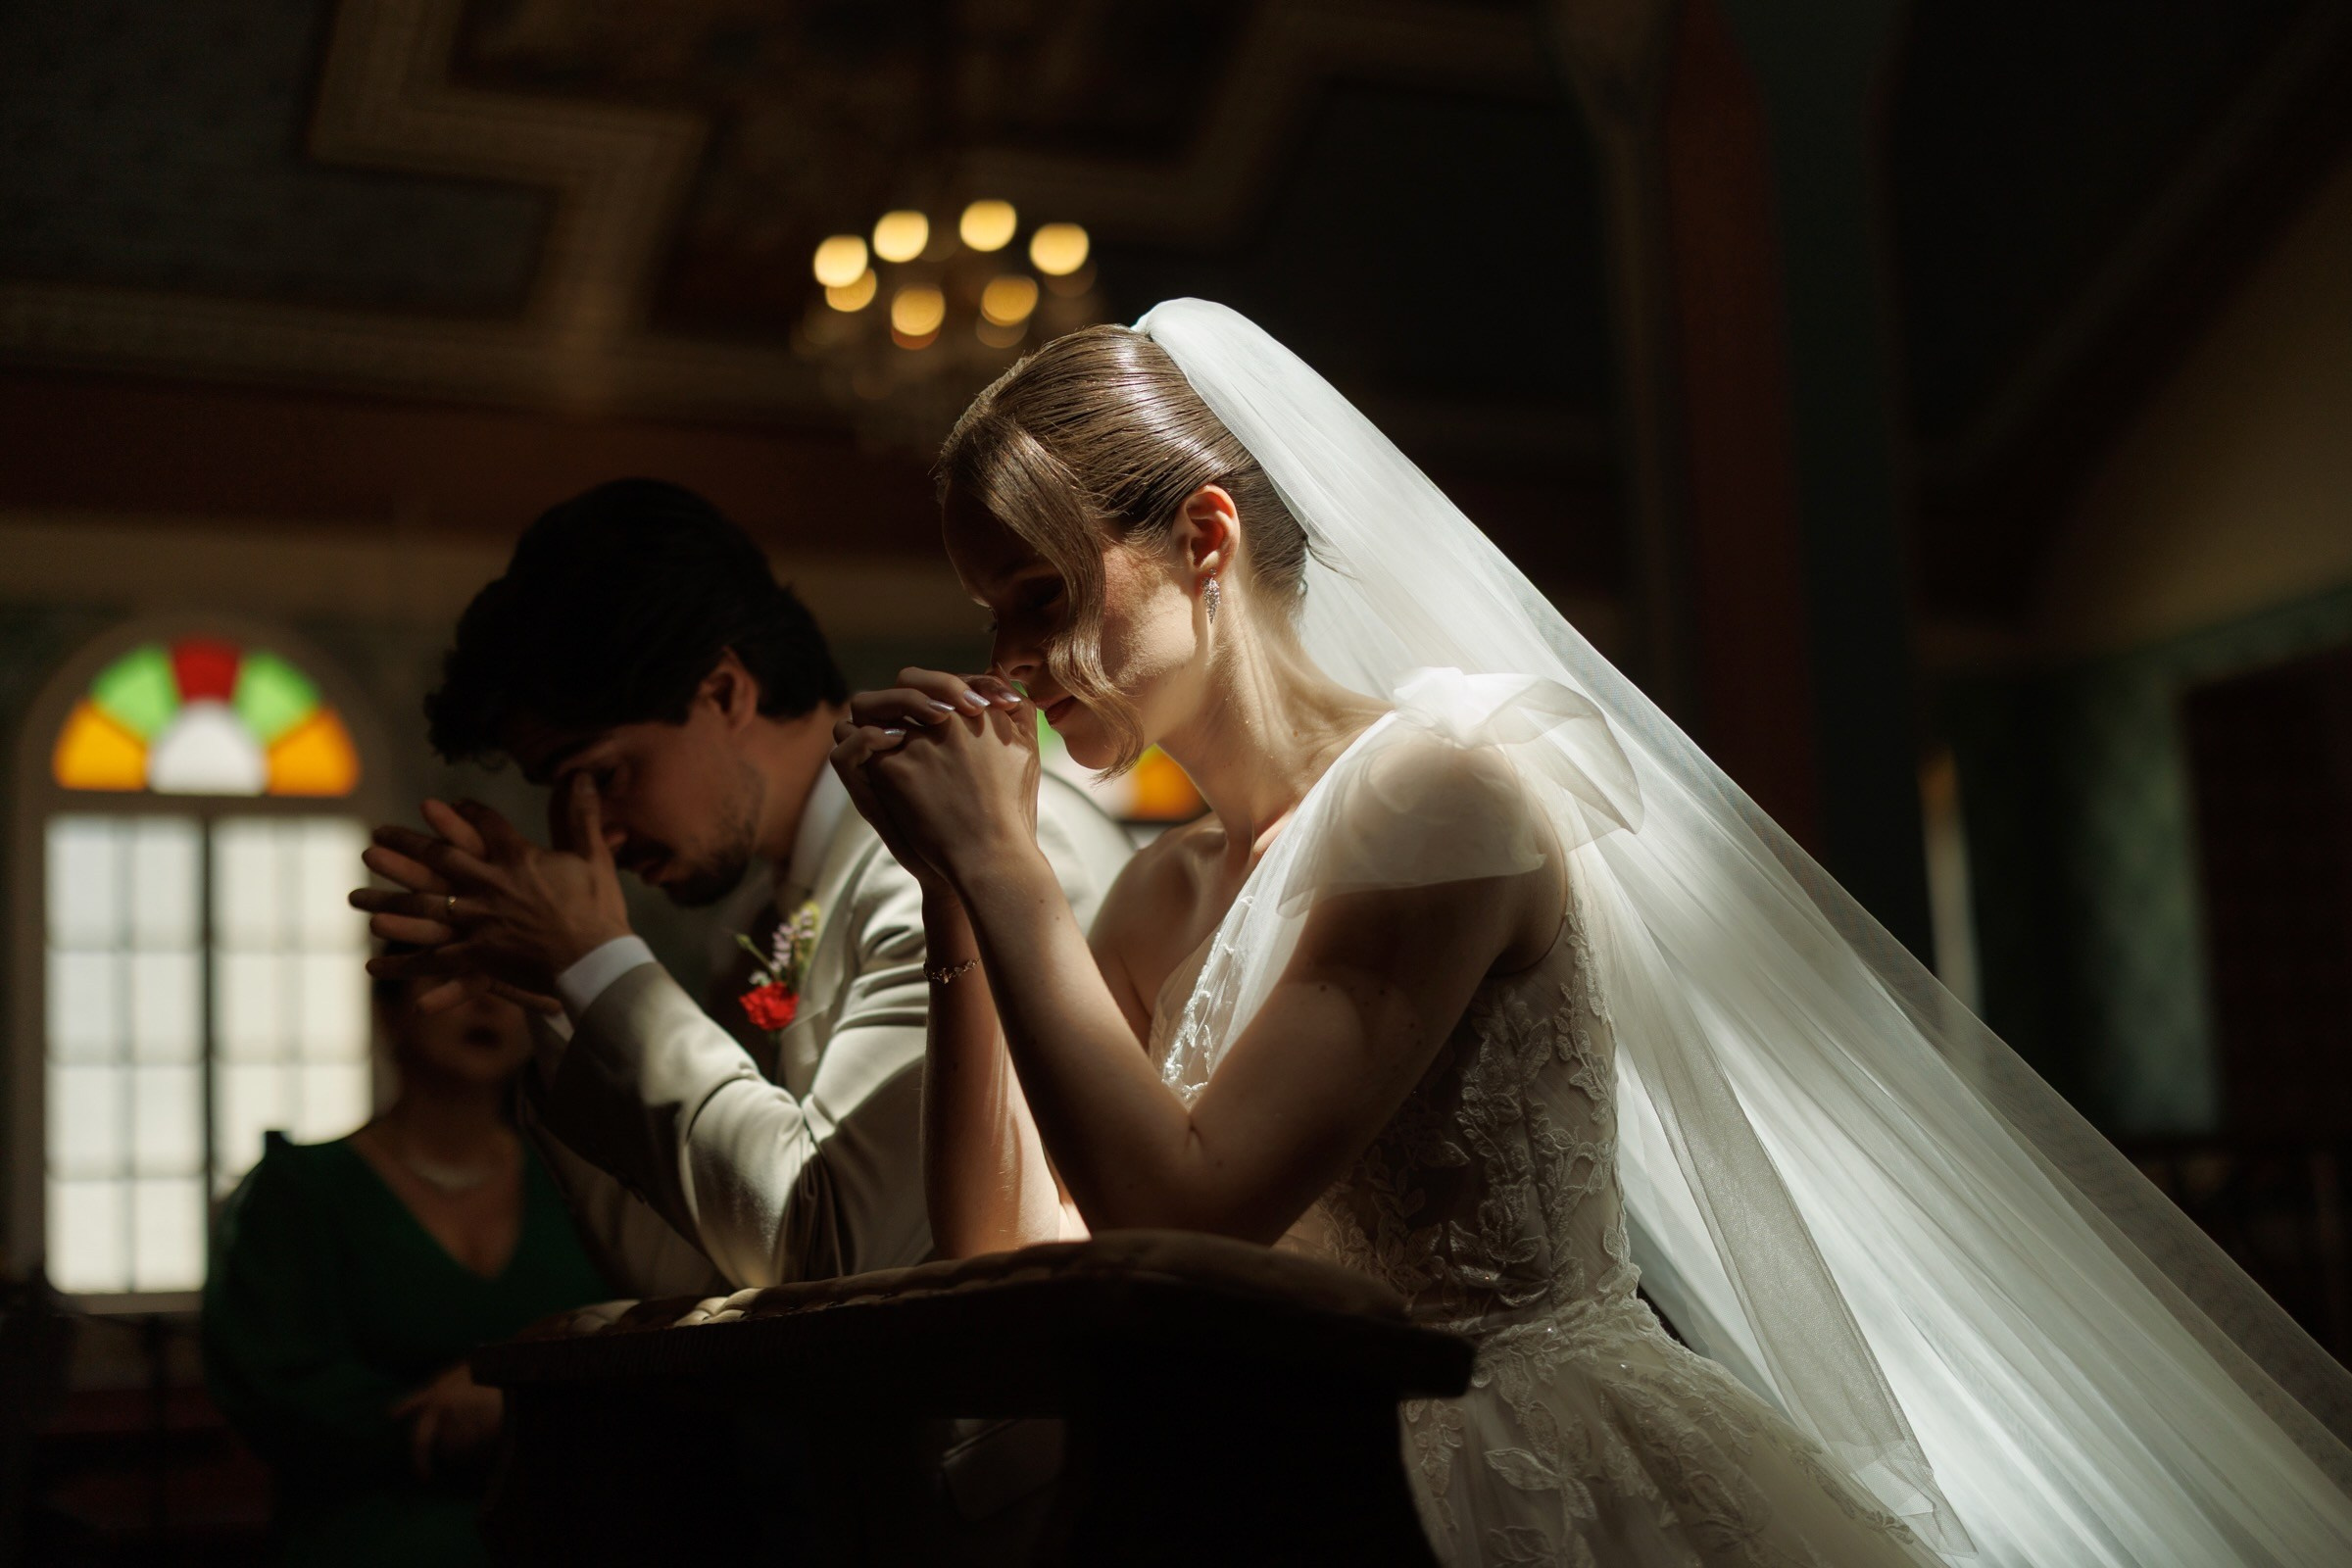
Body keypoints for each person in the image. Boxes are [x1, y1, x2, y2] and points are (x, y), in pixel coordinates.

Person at [826, 300, 2352, 1566]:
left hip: (1522, 1476)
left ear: (1206, 537)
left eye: (1040, 593)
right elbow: (1005, 1263)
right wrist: (963, 889)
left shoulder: (1440, 792)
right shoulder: (1158, 893)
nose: (1014, 664)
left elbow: (1200, 1210)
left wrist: (1009, 871)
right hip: (1274, 1482)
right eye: (989, 620)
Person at [351, 478, 1132, 1298]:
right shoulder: (770, 910)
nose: (600, 832)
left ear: (725, 691)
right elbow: (687, 1273)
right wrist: (556, 993)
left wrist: (598, 961)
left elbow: (840, 1255)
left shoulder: (961, 849)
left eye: (608, 774)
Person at [203, 965, 612, 1568]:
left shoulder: (582, 1187)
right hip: (369, 1537)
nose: (484, 1005)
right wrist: (441, 1427)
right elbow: (276, 1386)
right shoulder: (302, 1190)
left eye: (506, 982)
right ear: (389, 1009)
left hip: (574, 1529)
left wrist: (519, 1405)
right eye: (450, 977)